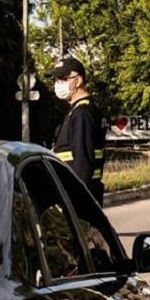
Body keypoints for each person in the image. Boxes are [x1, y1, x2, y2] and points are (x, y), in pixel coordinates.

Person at [47, 57, 107, 201]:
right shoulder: (81, 109)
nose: (57, 84)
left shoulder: (82, 113)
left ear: (78, 81)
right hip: (78, 189)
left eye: (62, 79)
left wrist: (75, 199)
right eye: (55, 80)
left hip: (77, 194)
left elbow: (82, 162)